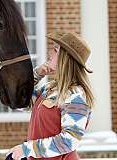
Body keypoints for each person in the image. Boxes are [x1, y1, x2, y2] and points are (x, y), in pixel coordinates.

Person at [6, 32, 94, 160]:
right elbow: (20, 100)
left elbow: (69, 141)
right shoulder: (50, 89)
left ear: (65, 58)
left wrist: (27, 149)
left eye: (55, 50)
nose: (50, 53)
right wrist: (37, 74)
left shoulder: (76, 96)